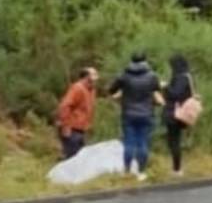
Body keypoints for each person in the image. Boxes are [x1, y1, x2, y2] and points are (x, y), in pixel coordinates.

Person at [109, 53, 163, 181]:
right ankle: (141, 172)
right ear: (145, 61)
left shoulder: (124, 76)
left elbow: (111, 90)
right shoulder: (152, 76)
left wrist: (122, 93)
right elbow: (157, 89)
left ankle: (127, 170)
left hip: (128, 114)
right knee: (143, 143)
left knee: (128, 143)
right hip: (146, 114)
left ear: (131, 61)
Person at [56, 67, 99, 160]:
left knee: (80, 159)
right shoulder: (77, 88)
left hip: (81, 129)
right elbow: (65, 106)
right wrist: (66, 127)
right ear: (86, 77)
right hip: (72, 129)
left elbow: (87, 109)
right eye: (92, 79)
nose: (94, 81)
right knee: (71, 158)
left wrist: (89, 126)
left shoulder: (92, 90)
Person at [163, 54, 193, 176]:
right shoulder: (188, 76)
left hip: (176, 113)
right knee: (174, 140)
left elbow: (176, 94)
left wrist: (166, 87)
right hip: (181, 112)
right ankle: (176, 168)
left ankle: (177, 168)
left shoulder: (181, 78)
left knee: (174, 141)